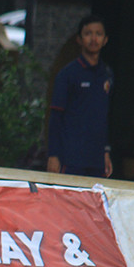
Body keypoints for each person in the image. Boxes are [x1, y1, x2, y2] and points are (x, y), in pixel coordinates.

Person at [47, 15, 113, 178]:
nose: (93, 39)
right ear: (79, 39)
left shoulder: (106, 74)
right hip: (71, 157)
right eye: (88, 34)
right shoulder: (67, 75)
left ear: (105, 40)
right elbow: (56, 116)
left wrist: (105, 152)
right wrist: (53, 155)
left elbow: (104, 117)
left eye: (98, 34)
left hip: (96, 159)